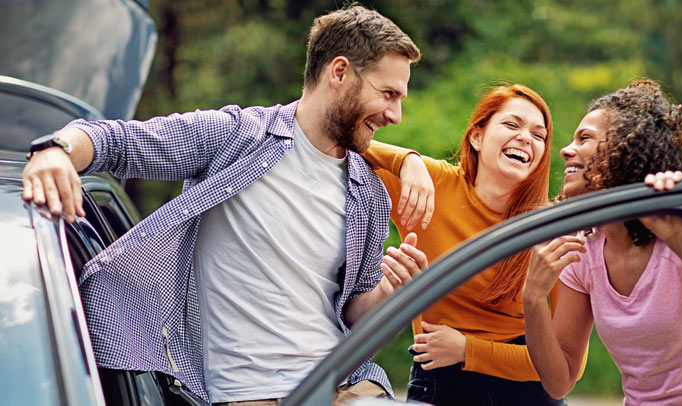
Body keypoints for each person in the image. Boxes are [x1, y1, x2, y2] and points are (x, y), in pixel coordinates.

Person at [21, 5, 428, 406]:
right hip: (251, 395)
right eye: (388, 94)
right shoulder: (236, 138)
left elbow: (356, 316)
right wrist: (57, 149)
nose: (396, 114)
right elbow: (120, 142)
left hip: (346, 386)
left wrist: (389, 293)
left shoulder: (368, 193)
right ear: (339, 73)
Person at [363, 84, 570, 405]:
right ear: (477, 136)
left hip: (529, 392)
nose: (526, 138)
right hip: (442, 380)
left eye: (539, 135)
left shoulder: (550, 229)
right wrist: (407, 161)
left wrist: (466, 349)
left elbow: (564, 367)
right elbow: (349, 142)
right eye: (512, 125)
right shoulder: (434, 184)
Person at [522, 80, 682, 405]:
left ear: (626, 151)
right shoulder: (582, 250)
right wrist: (534, 297)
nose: (566, 149)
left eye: (585, 139)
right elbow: (559, 381)